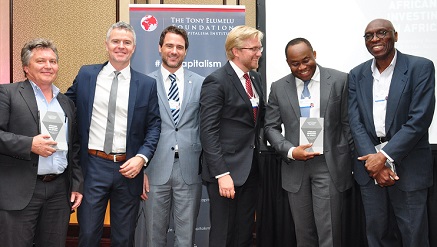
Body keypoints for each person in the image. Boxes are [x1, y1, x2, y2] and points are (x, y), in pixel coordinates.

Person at [65, 21, 161, 247]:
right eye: (116, 41)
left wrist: (142, 158)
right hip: (93, 167)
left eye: (127, 42)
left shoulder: (147, 84)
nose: (121, 46)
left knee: (124, 237)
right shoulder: (87, 74)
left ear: (134, 48)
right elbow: (66, 106)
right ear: (106, 45)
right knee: (87, 234)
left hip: (128, 169)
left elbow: (154, 125)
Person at [348, 18, 435, 247]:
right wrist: (374, 164)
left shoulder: (420, 67)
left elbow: (419, 119)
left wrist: (384, 158)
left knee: (413, 236)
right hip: (369, 168)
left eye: (382, 33)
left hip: (409, 166)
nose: (375, 39)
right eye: (369, 36)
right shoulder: (357, 74)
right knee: (377, 237)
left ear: (395, 36)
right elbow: (355, 122)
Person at [264, 38, 354, 247]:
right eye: (295, 63)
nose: (302, 67)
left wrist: (343, 154)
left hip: (328, 166)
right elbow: (270, 127)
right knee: (303, 235)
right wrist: (290, 150)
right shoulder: (278, 87)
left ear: (314, 54)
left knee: (329, 233)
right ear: (288, 63)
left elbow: (348, 122)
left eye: (306, 60)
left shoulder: (340, 80)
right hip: (295, 166)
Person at [0, 38, 83, 247]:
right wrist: (29, 144)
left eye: (53, 61)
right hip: (21, 191)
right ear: (26, 67)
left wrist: (76, 184)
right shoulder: (8, 94)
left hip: (58, 192)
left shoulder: (66, 103)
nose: (48, 66)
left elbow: (74, 148)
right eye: (41, 61)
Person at [138, 25, 204, 246]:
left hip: (190, 170)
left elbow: (205, 126)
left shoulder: (201, 83)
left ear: (186, 51)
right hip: (154, 169)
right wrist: (141, 169)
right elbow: (137, 129)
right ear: (160, 48)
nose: (174, 51)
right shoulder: (145, 83)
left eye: (180, 47)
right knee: (154, 237)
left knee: (186, 239)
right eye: (169, 46)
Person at [199, 25, 265, 247]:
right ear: (236, 51)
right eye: (254, 48)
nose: (259, 52)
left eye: (260, 47)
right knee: (223, 235)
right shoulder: (216, 81)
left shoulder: (254, 79)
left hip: (250, 171)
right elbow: (208, 131)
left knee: (244, 233)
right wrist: (221, 173)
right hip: (226, 173)